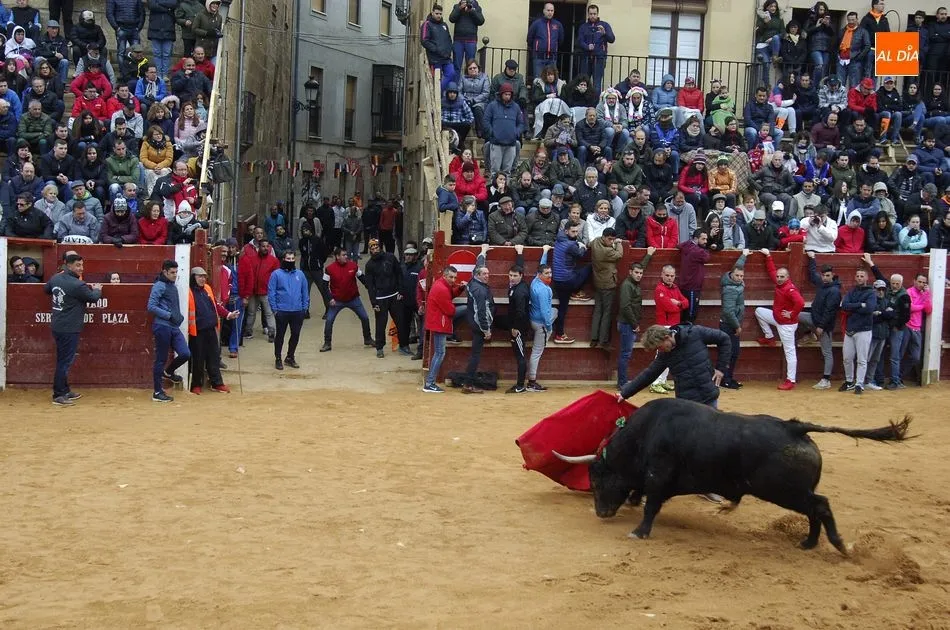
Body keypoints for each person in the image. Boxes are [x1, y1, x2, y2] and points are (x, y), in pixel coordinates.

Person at [618, 323, 731, 409]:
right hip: (687, 403)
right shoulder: (664, 355)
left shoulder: (695, 332)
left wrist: (721, 368)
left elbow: (724, 339)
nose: (660, 350)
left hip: (708, 396)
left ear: (667, 336)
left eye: (659, 347)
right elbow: (648, 375)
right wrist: (625, 393)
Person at [43, 253, 102, 406]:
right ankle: (58, 394)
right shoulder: (77, 285)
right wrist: (97, 289)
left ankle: (65, 390)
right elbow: (93, 298)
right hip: (69, 328)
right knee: (64, 361)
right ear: (68, 265)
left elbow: (46, 289)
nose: (81, 268)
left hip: (57, 325)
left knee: (63, 359)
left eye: (82, 265)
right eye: (78, 265)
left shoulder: (56, 278)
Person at [755, 249, 805, 390]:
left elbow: (800, 302)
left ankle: (791, 380)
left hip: (786, 325)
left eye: (782, 277)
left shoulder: (790, 289)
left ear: (787, 277)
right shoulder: (779, 284)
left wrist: (792, 314)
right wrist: (768, 256)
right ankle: (769, 336)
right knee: (759, 311)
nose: (779, 278)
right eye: (778, 276)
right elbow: (771, 271)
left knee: (789, 351)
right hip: (777, 318)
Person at [187, 266, 236, 394]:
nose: (203, 279)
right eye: (200, 276)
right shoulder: (188, 292)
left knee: (214, 357)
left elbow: (216, 306)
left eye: (204, 277)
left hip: (211, 329)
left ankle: (217, 383)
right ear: (193, 278)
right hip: (197, 331)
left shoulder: (207, 289)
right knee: (198, 358)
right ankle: (196, 385)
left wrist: (228, 314)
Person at [797, 251, 841, 391]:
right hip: (814, 320)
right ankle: (809, 334)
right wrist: (812, 259)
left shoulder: (834, 291)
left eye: (828, 275)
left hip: (824, 325)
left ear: (832, 275)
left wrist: (821, 327)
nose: (825, 278)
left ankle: (826, 379)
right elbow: (812, 274)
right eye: (823, 275)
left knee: (826, 352)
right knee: (795, 315)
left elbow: (830, 311)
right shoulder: (823, 284)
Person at [147, 259, 190, 403]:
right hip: (162, 326)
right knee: (160, 359)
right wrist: (169, 315)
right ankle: (157, 392)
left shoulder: (172, 286)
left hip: (173, 326)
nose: (175, 275)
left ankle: (168, 372)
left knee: (185, 353)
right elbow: (151, 306)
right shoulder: (159, 285)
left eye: (176, 272)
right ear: (164, 272)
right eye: (172, 272)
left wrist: (178, 317)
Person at [321, 247, 374, 351]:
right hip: (336, 300)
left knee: (365, 318)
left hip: (353, 299)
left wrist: (372, 287)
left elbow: (363, 278)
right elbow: (324, 286)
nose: (346, 256)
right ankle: (327, 343)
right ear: (337, 257)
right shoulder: (329, 269)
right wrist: (330, 298)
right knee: (329, 321)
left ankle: (367, 339)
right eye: (343, 255)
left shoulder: (353, 266)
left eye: (346, 255)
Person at [422, 264, 464, 393]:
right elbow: (450, 310)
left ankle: (430, 382)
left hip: (437, 322)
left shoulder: (442, 285)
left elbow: (450, 295)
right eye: (451, 277)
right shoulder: (442, 288)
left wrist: (460, 288)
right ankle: (429, 383)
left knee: (439, 353)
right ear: (444, 276)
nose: (453, 280)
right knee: (440, 353)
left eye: (454, 278)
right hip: (439, 323)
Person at [617, 247, 655, 388]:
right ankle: (622, 383)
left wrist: (648, 255)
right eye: (637, 273)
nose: (639, 275)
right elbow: (625, 306)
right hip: (627, 323)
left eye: (641, 273)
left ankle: (623, 381)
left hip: (628, 323)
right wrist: (634, 324)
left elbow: (640, 267)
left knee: (626, 353)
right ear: (630, 273)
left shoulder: (631, 282)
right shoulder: (627, 286)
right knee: (625, 354)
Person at [364, 238, 408, 358]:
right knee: (380, 325)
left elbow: (399, 274)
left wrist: (401, 291)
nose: (375, 250)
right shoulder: (369, 265)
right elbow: (370, 286)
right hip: (380, 298)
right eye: (372, 249)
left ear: (380, 247)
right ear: (370, 250)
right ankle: (379, 348)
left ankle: (404, 346)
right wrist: (374, 302)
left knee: (401, 322)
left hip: (394, 296)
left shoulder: (391, 258)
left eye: (376, 247)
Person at [268, 250, 309, 371]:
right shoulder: (276, 274)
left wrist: (304, 308)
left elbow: (305, 292)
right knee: (280, 336)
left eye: (292, 259)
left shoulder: (300, 275)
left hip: (297, 311)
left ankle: (290, 357)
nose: (290, 261)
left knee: (295, 335)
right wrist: (275, 310)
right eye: (288, 259)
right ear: (283, 259)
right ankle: (278, 358)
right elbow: (271, 292)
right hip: (282, 311)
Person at [838, 268, 876, 395]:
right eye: (858, 276)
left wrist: (854, 306)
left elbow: (870, 308)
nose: (859, 278)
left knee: (862, 359)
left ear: (866, 278)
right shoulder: (852, 291)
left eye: (862, 276)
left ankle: (859, 383)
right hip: (850, 329)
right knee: (847, 358)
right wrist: (860, 305)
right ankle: (849, 381)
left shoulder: (871, 293)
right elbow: (844, 305)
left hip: (864, 330)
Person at [462, 244, 494, 393]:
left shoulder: (472, 282)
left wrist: (483, 252)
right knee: (475, 355)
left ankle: (468, 382)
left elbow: (479, 264)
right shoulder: (480, 290)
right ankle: (468, 384)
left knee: (475, 354)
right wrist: (486, 330)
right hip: (478, 325)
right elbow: (481, 312)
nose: (487, 275)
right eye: (485, 274)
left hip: (472, 321)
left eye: (488, 273)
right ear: (478, 275)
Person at [551, 222, 591, 344]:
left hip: (557, 280)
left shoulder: (558, 240)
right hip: (567, 281)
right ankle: (577, 291)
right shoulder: (570, 244)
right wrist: (582, 246)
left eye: (577, 231)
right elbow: (580, 254)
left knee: (563, 307)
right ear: (566, 231)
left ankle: (559, 334)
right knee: (590, 267)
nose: (576, 234)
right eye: (573, 232)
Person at [718, 250, 750, 390]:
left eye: (742, 276)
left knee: (731, 352)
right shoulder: (730, 289)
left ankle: (727, 378)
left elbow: (738, 266)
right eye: (737, 275)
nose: (739, 278)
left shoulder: (732, 282)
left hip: (729, 324)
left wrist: (744, 255)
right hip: (729, 325)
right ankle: (725, 379)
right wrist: (737, 326)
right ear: (732, 275)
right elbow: (728, 311)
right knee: (731, 353)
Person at [238, 237, 278, 342]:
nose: (265, 248)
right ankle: (248, 331)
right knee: (251, 312)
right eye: (263, 246)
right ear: (259, 247)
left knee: (269, 312)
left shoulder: (273, 260)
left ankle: (272, 332)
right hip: (253, 291)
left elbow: (276, 276)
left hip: (266, 291)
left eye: (267, 246)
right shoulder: (252, 259)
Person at [589, 226, 622, 349]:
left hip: (597, 282)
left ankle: (594, 338)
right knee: (607, 313)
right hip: (608, 284)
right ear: (604, 237)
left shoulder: (596, 241)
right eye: (610, 239)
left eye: (613, 239)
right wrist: (619, 243)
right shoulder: (607, 251)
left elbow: (589, 243)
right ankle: (603, 340)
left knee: (598, 311)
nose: (612, 241)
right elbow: (619, 255)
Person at [527, 245, 554, 392]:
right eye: (546, 273)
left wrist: (545, 252)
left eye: (550, 272)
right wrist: (549, 328)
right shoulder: (543, 290)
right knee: (537, 352)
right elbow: (545, 312)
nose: (549, 275)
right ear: (540, 274)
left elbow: (541, 266)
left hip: (534, 318)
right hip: (541, 323)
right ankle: (532, 382)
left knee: (554, 311)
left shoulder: (535, 281)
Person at [577, 4, 614, 92]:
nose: (593, 16)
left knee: (597, 83)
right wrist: (587, 46)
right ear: (588, 14)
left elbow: (612, 39)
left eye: (594, 14)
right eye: (591, 14)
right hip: (586, 58)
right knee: (584, 83)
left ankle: (595, 105)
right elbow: (579, 41)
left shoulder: (604, 25)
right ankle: (584, 103)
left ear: (597, 14)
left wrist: (605, 33)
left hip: (599, 58)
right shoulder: (583, 27)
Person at [678, 228, 710, 323]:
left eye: (706, 239)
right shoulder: (697, 251)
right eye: (703, 239)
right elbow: (707, 257)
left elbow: (679, 245)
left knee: (685, 314)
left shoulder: (687, 245)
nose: (706, 242)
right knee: (691, 315)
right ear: (696, 239)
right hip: (692, 288)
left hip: (686, 286)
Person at [526, 3, 564, 79]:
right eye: (548, 10)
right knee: (538, 81)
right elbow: (529, 38)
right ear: (544, 11)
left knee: (552, 81)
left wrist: (554, 48)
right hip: (538, 57)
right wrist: (536, 49)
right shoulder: (536, 24)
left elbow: (561, 40)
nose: (550, 12)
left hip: (552, 58)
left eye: (552, 10)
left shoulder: (558, 25)